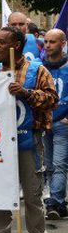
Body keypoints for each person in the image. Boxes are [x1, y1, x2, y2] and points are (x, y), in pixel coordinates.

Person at [0, 26, 58, 233]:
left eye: (2, 43)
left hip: (28, 140)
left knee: (32, 194)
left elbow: (52, 100)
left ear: (16, 46)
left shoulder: (37, 70)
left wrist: (26, 93)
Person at [41, 29, 68, 220]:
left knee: (59, 164)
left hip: (63, 123)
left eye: (53, 42)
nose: (48, 45)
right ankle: (58, 201)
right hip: (44, 122)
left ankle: (55, 201)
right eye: (46, 42)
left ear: (63, 43)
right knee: (49, 165)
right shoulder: (40, 67)